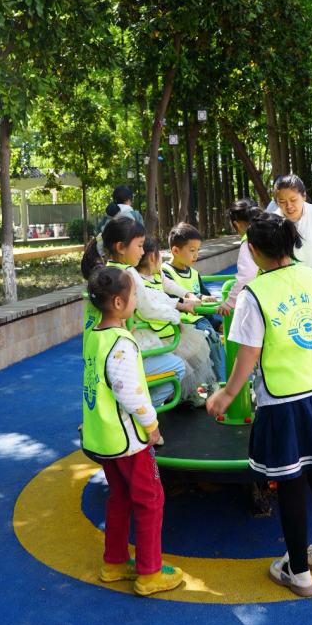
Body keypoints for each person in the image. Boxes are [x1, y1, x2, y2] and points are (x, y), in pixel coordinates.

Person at [206, 213, 312, 598]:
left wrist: (226, 394)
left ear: (253, 251)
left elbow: (249, 353)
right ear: (291, 244)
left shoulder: (253, 294)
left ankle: (299, 572)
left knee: (290, 482)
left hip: (283, 400)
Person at [81, 265, 184, 596]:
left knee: (121, 496)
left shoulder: (94, 335)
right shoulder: (121, 343)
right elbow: (130, 393)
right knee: (150, 499)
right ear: (118, 302)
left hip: (104, 437)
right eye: (134, 295)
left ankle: (114, 562)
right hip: (129, 440)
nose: (137, 299)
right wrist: (151, 424)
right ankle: (150, 572)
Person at [81, 218, 195, 412]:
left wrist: (177, 303)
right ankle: (142, 415)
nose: (143, 252)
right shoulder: (128, 275)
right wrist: (175, 315)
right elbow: (147, 307)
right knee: (177, 367)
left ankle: (134, 413)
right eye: (140, 245)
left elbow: (149, 295)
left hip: (107, 348)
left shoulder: (106, 273)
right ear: (121, 247)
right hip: (135, 348)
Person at [136, 237, 218, 404]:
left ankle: (188, 393)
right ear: (152, 257)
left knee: (193, 355)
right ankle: (167, 400)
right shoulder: (138, 281)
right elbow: (156, 304)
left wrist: (188, 295)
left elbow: (172, 287)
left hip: (168, 332)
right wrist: (176, 313)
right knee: (181, 362)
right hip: (155, 336)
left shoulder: (158, 274)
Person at [162, 223, 223, 383]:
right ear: (175, 251)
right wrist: (198, 297)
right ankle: (213, 383)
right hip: (179, 322)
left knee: (213, 337)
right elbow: (168, 296)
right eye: (192, 250)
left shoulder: (194, 274)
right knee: (210, 337)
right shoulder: (165, 273)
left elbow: (205, 305)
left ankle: (212, 382)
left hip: (198, 321)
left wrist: (216, 323)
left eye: (198, 250)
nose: (196, 255)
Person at [272, 174, 312, 272]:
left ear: (304, 196)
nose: (289, 206)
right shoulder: (272, 222)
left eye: (293, 200)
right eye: (282, 202)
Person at [216, 199, 261, 316]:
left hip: (265, 297)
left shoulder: (249, 241)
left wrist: (230, 301)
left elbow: (247, 274)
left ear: (237, 224)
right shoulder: (273, 232)